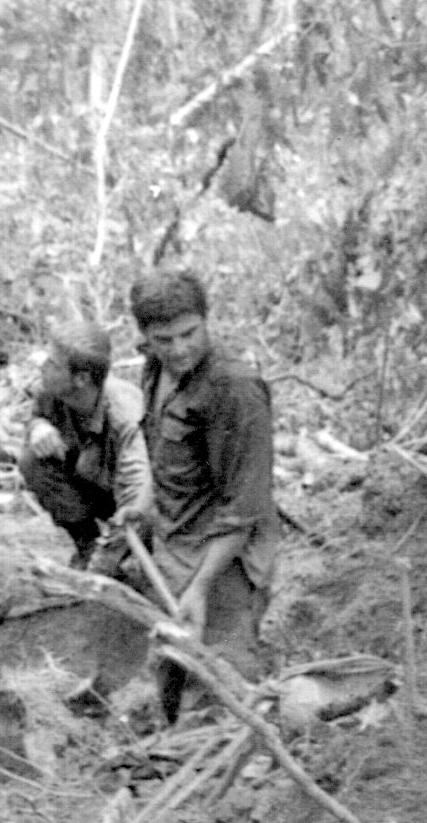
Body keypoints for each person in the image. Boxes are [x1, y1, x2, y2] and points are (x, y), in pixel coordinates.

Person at [70, 270, 278, 723]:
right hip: (173, 543)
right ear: (145, 337)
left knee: (221, 701)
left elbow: (244, 509)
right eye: (166, 339)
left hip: (226, 562)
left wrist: (202, 585)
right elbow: (165, 457)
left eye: (190, 334)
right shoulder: (155, 370)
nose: (180, 349)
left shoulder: (235, 391)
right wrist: (141, 504)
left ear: (207, 320)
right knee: (170, 669)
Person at [17, 321, 153, 569]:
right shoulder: (51, 389)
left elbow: (138, 501)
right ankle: (87, 544)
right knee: (33, 460)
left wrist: (106, 562)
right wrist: (38, 427)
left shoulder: (126, 417)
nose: (42, 366)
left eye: (53, 364)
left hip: (142, 504)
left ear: (81, 379)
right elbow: (36, 415)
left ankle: (117, 559)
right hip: (97, 485)